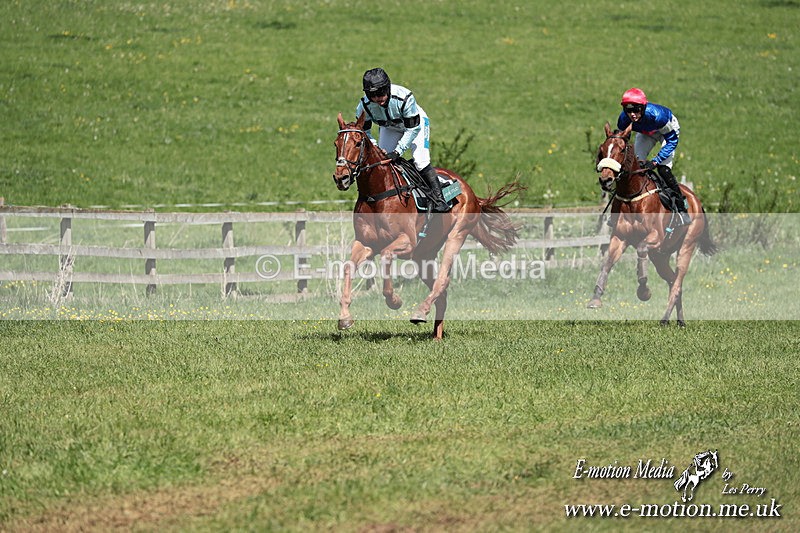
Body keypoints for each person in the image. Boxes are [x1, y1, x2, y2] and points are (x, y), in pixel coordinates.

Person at [356, 67, 448, 211]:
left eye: (380, 93)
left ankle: (439, 198)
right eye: (372, 95)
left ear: (387, 87)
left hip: (414, 125)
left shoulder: (404, 97)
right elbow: (365, 131)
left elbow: (412, 129)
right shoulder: (364, 106)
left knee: (420, 161)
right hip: (390, 127)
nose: (377, 99)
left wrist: (398, 151)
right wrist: (375, 148)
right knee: (383, 162)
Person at [617, 87, 690, 225]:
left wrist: (655, 161)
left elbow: (671, 141)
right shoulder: (623, 120)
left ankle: (681, 208)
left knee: (663, 169)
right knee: (634, 166)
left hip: (666, 133)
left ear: (643, 107)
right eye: (628, 110)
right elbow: (621, 141)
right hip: (646, 133)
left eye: (636, 109)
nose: (632, 114)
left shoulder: (657, 116)